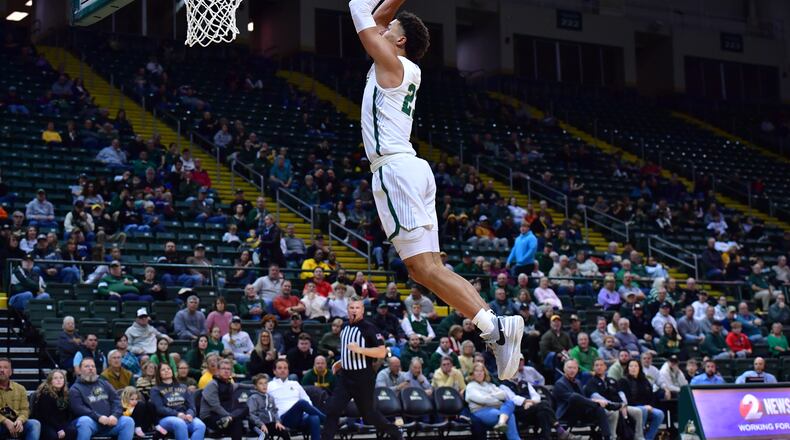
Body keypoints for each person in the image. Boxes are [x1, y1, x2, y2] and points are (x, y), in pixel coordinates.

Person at [350, 0, 523, 379]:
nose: (383, 29)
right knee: (428, 269)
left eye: (390, 28)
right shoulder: (400, 65)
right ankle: (496, 327)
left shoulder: (391, 63)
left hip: (395, 170)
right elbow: (377, 18)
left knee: (423, 269)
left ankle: (494, 328)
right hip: (412, 168)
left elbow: (360, 11)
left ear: (400, 40)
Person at [321, 298, 401, 440]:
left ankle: (395, 433)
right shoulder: (344, 327)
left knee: (369, 415)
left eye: (357, 308)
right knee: (333, 410)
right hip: (345, 377)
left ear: (363, 310)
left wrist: (360, 350)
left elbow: (382, 352)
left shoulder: (370, 328)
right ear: (347, 310)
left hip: (363, 378)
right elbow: (348, 351)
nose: (354, 310)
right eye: (351, 307)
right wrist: (340, 362)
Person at [69, 357, 134, 440]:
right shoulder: (75, 388)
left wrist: (114, 416)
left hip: (109, 423)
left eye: (93, 366)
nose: (91, 368)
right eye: (87, 366)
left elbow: (116, 401)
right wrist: (98, 417)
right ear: (80, 370)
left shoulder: (105, 383)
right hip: (91, 424)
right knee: (84, 421)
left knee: (128, 421)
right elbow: (79, 409)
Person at [584, 359, 643, 440]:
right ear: (593, 368)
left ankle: (639, 437)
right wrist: (615, 406)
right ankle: (612, 437)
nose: (599, 367)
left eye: (601, 365)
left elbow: (621, 393)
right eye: (596, 365)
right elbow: (596, 397)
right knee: (614, 412)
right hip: (604, 408)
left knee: (638, 411)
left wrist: (623, 404)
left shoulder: (612, 380)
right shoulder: (591, 382)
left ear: (605, 367)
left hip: (619, 406)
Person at [553, 359, 612, 439]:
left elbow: (584, 400)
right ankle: (607, 405)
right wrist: (595, 402)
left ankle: (607, 437)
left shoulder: (578, 382)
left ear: (577, 369)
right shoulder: (559, 384)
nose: (572, 370)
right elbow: (573, 400)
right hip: (567, 414)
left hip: (580, 413)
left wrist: (595, 404)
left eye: (574, 368)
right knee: (574, 397)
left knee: (599, 409)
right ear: (564, 369)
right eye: (569, 368)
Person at [268, 360, 325, 440]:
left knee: (314, 417)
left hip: (300, 417)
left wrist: (306, 413)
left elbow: (308, 401)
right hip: (284, 419)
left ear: (288, 371)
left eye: (285, 368)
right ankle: (328, 420)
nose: (283, 370)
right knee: (301, 403)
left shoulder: (295, 384)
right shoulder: (269, 386)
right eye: (280, 368)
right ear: (274, 371)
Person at [150, 363, 206, 440]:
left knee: (200, 426)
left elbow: (191, 406)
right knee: (179, 423)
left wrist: (190, 414)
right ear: (159, 374)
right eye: (163, 370)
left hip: (185, 416)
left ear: (172, 371)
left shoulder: (183, 387)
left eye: (168, 369)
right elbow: (159, 408)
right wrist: (177, 414)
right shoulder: (155, 389)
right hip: (166, 418)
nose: (167, 371)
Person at [465, 362, 520, 439]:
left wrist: (490, 396)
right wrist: (497, 400)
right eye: (477, 371)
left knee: (510, 403)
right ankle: (503, 424)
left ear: (485, 373)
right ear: (472, 374)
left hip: (496, 409)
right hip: (481, 412)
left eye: (481, 371)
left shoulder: (489, 385)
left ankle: (501, 422)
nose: (479, 373)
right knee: (509, 415)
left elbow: (504, 395)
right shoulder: (471, 386)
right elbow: (482, 400)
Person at [199, 360, 248, 440]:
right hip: (210, 417)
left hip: (225, 417)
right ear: (218, 371)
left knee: (245, 408)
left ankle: (231, 420)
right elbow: (215, 407)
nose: (226, 371)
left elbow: (239, 385)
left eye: (228, 369)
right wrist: (230, 416)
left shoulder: (229, 384)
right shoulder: (212, 384)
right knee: (237, 422)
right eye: (223, 368)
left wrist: (254, 386)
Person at [618, 360, 664, 440]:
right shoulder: (623, 381)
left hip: (645, 406)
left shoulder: (644, 380)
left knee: (660, 414)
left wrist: (650, 406)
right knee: (643, 410)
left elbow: (651, 395)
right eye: (631, 366)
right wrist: (645, 407)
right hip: (631, 407)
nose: (633, 368)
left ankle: (648, 438)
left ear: (639, 368)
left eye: (636, 366)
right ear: (628, 368)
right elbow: (625, 399)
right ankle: (639, 436)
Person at [0, 358, 41, 440]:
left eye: (5, 367)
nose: (1, 370)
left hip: (17, 424)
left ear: (11, 372)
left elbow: (25, 410)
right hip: (1, 424)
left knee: (35, 424)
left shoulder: (20, 388)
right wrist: (5, 421)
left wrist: (20, 421)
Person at [34, 370, 76, 440]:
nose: (59, 380)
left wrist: (65, 426)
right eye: (55, 378)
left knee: (72, 431)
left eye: (61, 378)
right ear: (50, 381)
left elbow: (68, 413)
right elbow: (47, 416)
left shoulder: (65, 394)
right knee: (53, 436)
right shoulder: (45, 393)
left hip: (60, 422)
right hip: (46, 423)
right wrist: (59, 429)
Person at [246, 374, 287, 440]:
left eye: (265, 383)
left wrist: (277, 422)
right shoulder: (253, 398)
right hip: (256, 425)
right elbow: (250, 414)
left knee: (284, 432)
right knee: (264, 435)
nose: (264, 385)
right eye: (261, 383)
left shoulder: (271, 397)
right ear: (256, 386)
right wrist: (261, 424)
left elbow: (275, 411)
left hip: (269, 424)